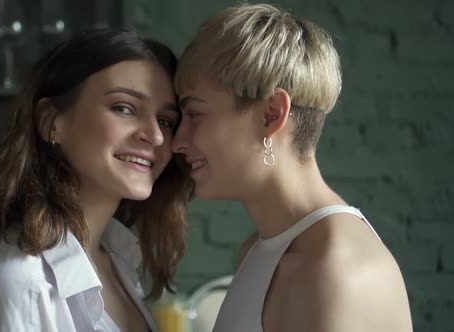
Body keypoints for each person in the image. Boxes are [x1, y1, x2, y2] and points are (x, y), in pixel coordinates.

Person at [172, 4, 413, 332]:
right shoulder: (259, 251)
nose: (177, 141)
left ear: (272, 114)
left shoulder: (334, 269)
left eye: (195, 114)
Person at [0, 29, 193, 332]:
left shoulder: (117, 261)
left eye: (166, 121)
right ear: (52, 122)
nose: (155, 136)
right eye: (124, 108)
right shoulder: (20, 287)